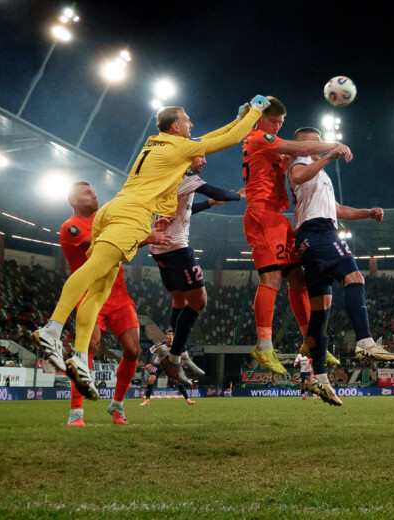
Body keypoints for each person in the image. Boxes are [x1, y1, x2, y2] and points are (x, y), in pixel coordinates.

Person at [32, 96, 270, 399]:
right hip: (134, 213)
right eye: (186, 120)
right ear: (175, 126)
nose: (191, 124)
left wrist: (239, 118)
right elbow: (232, 140)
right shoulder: (179, 148)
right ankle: (51, 330)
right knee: (93, 272)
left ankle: (79, 356)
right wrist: (256, 113)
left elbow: (208, 138)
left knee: (100, 288)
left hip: (117, 208)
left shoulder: (158, 142)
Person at [242, 97, 358, 375]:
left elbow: (294, 154)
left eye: (281, 122)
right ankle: (264, 344)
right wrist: (333, 146)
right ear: (260, 119)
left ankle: (311, 341)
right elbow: (302, 147)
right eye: (274, 121)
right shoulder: (259, 136)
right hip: (261, 214)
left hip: (278, 217)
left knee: (298, 278)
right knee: (271, 277)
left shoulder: (269, 143)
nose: (278, 126)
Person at [286, 126, 394, 405]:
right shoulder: (299, 162)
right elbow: (297, 177)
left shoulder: (319, 173)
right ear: (303, 144)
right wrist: (327, 157)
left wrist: (367, 213)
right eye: (316, 141)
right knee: (355, 278)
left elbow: (336, 209)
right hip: (319, 233)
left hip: (310, 240)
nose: (321, 145)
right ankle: (365, 342)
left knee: (320, 315)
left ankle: (320, 380)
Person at [59, 181, 170, 426]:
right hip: (89, 294)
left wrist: (148, 226)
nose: (94, 196)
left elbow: (128, 229)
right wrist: (147, 237)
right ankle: (76, 412)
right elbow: (102, 248)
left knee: (133, 350)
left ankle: (117, 405)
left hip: (118, 295)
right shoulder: (71, 227)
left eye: (94, 191)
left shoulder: (106, 219)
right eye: (87, 193)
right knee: (89, 345)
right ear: (73, 200)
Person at [150, 156, 245, 384]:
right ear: (187, 156)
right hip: (176, 249)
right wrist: (239, 195)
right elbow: (220, 192)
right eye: (200, 156)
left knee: (179, 300)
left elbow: (185, 210)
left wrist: (210, 204)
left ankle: (180, 353)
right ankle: (173, 360)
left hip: (159, 249)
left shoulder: (169, 177)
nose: (203, 161)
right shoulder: (188, 177)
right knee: (199, 301)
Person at [140, 329, 195, 406]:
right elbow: (149, 351)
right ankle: (147, 401)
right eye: (168, 334)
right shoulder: (160, 344)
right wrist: (148, 363)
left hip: (170, 365)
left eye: (172, 335)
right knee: (151, 379)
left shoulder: (177, 346)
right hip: (159, 364)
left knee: (177, 381)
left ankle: (188, 400)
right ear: (166, 336)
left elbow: (183, 356)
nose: (170, 336)